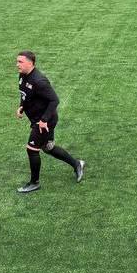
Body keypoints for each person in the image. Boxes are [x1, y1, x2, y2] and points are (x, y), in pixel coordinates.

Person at [15, 51, 84, 193]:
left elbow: (54, 100)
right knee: (48, 147)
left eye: (20, 62)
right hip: (38, 119)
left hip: (45, 121)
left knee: (31, 149)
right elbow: (25, 94)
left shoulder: (39, 81)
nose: (17, 64)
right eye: (17, 61)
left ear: (30, 63)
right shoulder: (23, 75)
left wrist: (43, 120)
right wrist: (21, 106)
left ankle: (34, 183)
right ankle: (77, 164)